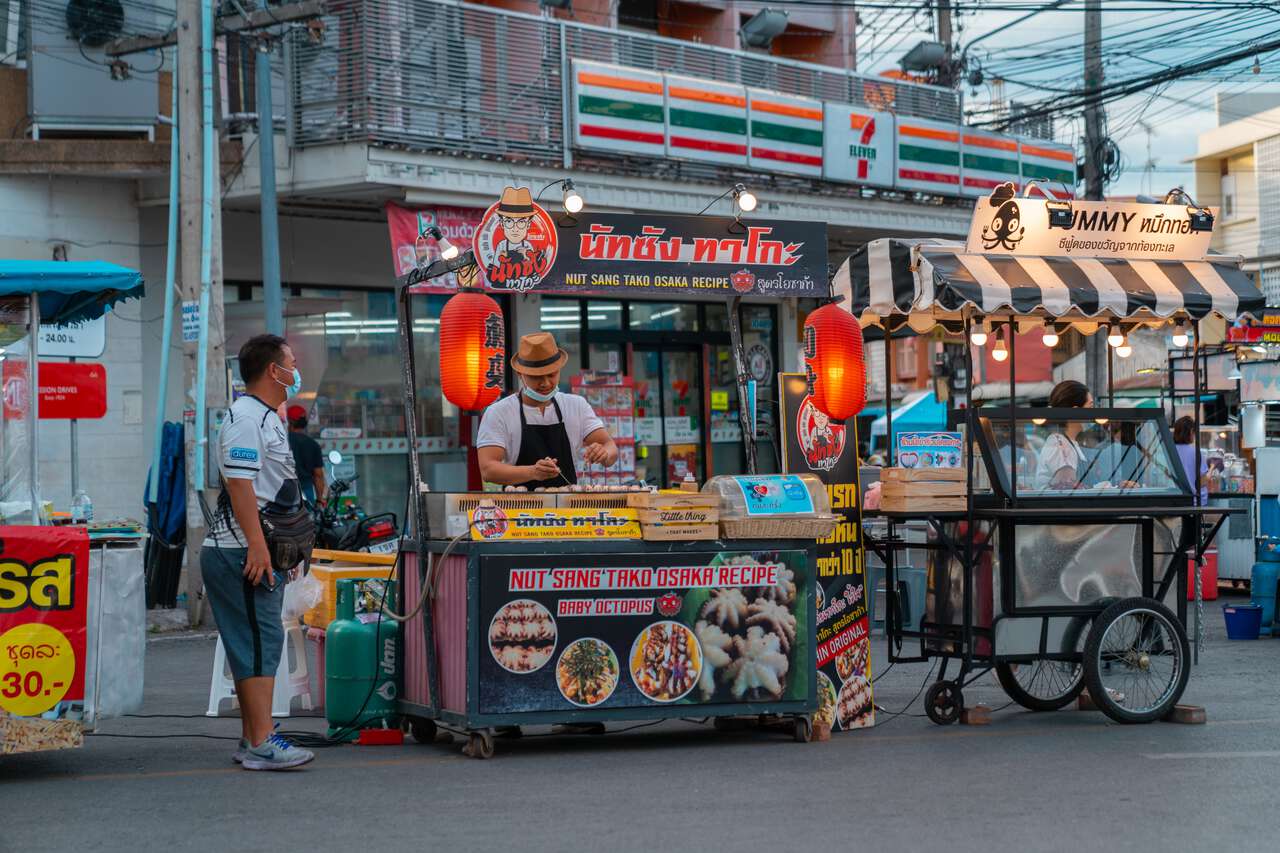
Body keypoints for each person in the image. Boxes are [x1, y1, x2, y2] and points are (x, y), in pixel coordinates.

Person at [202, 334, 315, 770]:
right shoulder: (246, 418)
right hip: (240, 552)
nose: (295, 367)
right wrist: (257, 546)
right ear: (273, 370)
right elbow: (240, 484)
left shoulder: (267, 417)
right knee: (259, 640)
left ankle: (253, 738)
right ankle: (264, 742)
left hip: (251, 549)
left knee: (255, 642)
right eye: (290, 361)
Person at [477, 331, 618, 488]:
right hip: (519, 510)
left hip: (570, 509)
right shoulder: (499, 413)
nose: (545, 383)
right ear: (520, 374)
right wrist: (532, 472)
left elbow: (610, 447)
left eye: (551, 375)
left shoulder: (576, 406)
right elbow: (488, 469)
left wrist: (603, 454)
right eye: (536, 377)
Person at [1034, 379, 1092, 490]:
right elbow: (1068, 489)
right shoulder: (1060, 445)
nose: (1095, 413)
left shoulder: (1070, 443)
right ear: (1076, 412)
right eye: (1090, 407)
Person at [286, 405, 326, 505]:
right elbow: (318, 475)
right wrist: (320, 499)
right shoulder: (313, 444)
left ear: (289, 421)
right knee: (308, 517)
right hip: (306, 489)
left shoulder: (282, 442)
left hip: (285, 488)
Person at [1173, 415, 1209, 502]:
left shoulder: (1170, 450)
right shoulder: (1195, 452)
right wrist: (1212, 468)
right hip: (1195, 501)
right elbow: (1202, 482)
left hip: (1175, 500)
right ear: (1191, 432)